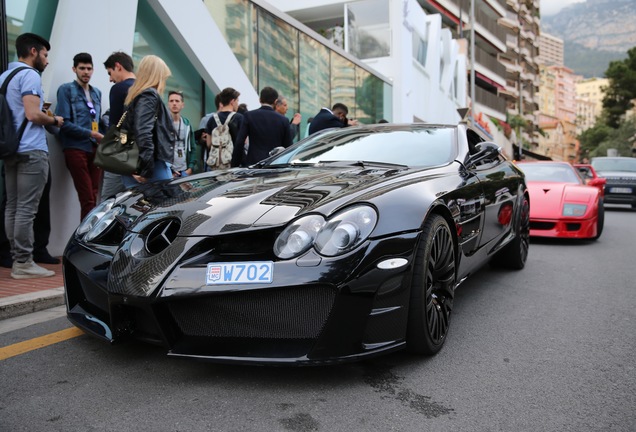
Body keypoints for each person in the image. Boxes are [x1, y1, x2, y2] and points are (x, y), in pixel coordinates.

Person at [0, 33, 64, 278]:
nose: (47, 61)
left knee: (13, 208)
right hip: (31, 150)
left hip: (11, 150)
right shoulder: (30, 75)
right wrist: (54, 119)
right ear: (34, 52)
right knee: (26, 210)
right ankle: (24, 263)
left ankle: (18, 259)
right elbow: (33, 114)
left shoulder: (5, 76)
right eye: (45, 54)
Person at [56, 52, 104, 219]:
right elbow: (64, 123)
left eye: (89, 68)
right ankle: (84, 239)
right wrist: (91, 133)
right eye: (82, 68)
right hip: (75, 147)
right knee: (88, 198)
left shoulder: (96, 92)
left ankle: (87, 235)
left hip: (95, 148)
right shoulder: (66, 89)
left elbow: (98, 119)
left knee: (94, 194)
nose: (86, 72)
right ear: (74, 69)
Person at [120, 55, 175, 188]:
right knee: (167, 205)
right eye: (164, 77)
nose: (164, 81)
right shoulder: (149, 95)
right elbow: (143, 131)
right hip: (151, 166)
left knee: (137, 206)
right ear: (157, 76)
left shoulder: (136, 96)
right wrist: (146, 168)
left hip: (135, 163)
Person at [100, 51, 135, 201]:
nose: (110, 79)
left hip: (119, 153)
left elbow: (115, 125)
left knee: (108, 203)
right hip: (140, 154)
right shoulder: (147, 89)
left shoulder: (119, 89)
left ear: (118, 66)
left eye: (110, 73)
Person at [232, 86, 292, 167]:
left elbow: (240, 142)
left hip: (253, 164)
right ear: (275, 101)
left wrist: (235, 164)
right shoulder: (283, 120)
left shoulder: (249, 116)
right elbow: (288, 147)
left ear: (260, 99)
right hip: (275, 164)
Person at [205, 87, 244, 169]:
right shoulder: (239, 118)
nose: (238, 103)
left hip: (216, 164)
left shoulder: (212, 119)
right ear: (232, 101)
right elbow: (244, 142)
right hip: (234, 163)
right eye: (237, 101)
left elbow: (208, 143)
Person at [167, 91, 198, 177]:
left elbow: (193, 147)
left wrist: (190, 168)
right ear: (168, 104)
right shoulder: (164, 124)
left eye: (177, 101)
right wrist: (169, 169)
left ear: (182, 105)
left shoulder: (186, 124)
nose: (174, 104)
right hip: (169, 171)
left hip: (184, 170)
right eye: (171, 101)